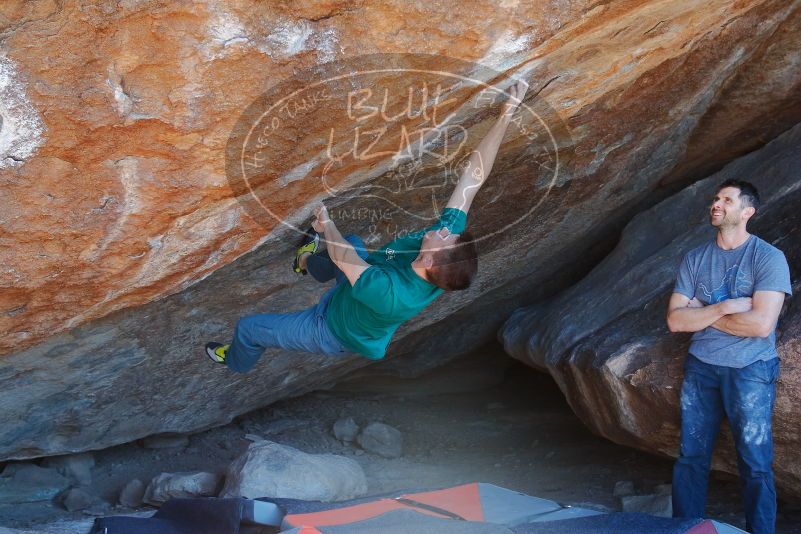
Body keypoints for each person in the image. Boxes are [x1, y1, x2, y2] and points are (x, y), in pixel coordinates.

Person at [205, 79, 529, 371]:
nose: (444, 230)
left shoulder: (394, 296)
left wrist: (325, 222)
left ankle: (232, 359)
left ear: (429, 261)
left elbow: (347, 261)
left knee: (250, 328)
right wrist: (506, 115)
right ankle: (304, 261)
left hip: (330, 328)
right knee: (354, 244)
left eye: (444, 236)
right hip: (358, 284)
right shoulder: (439, 256)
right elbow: (473, 178)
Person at [666, 180, 791, 534]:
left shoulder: (767, 258)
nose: (716, 204)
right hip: (701, 367)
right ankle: (686, 529)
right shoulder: (696, 258)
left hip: (750, 369)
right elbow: (676, 321)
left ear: (747, 211)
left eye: (726, 200)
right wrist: (724, 306)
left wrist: (703, 313)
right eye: (716, 198)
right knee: (691, 457)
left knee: (755, 463)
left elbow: (761, 325)